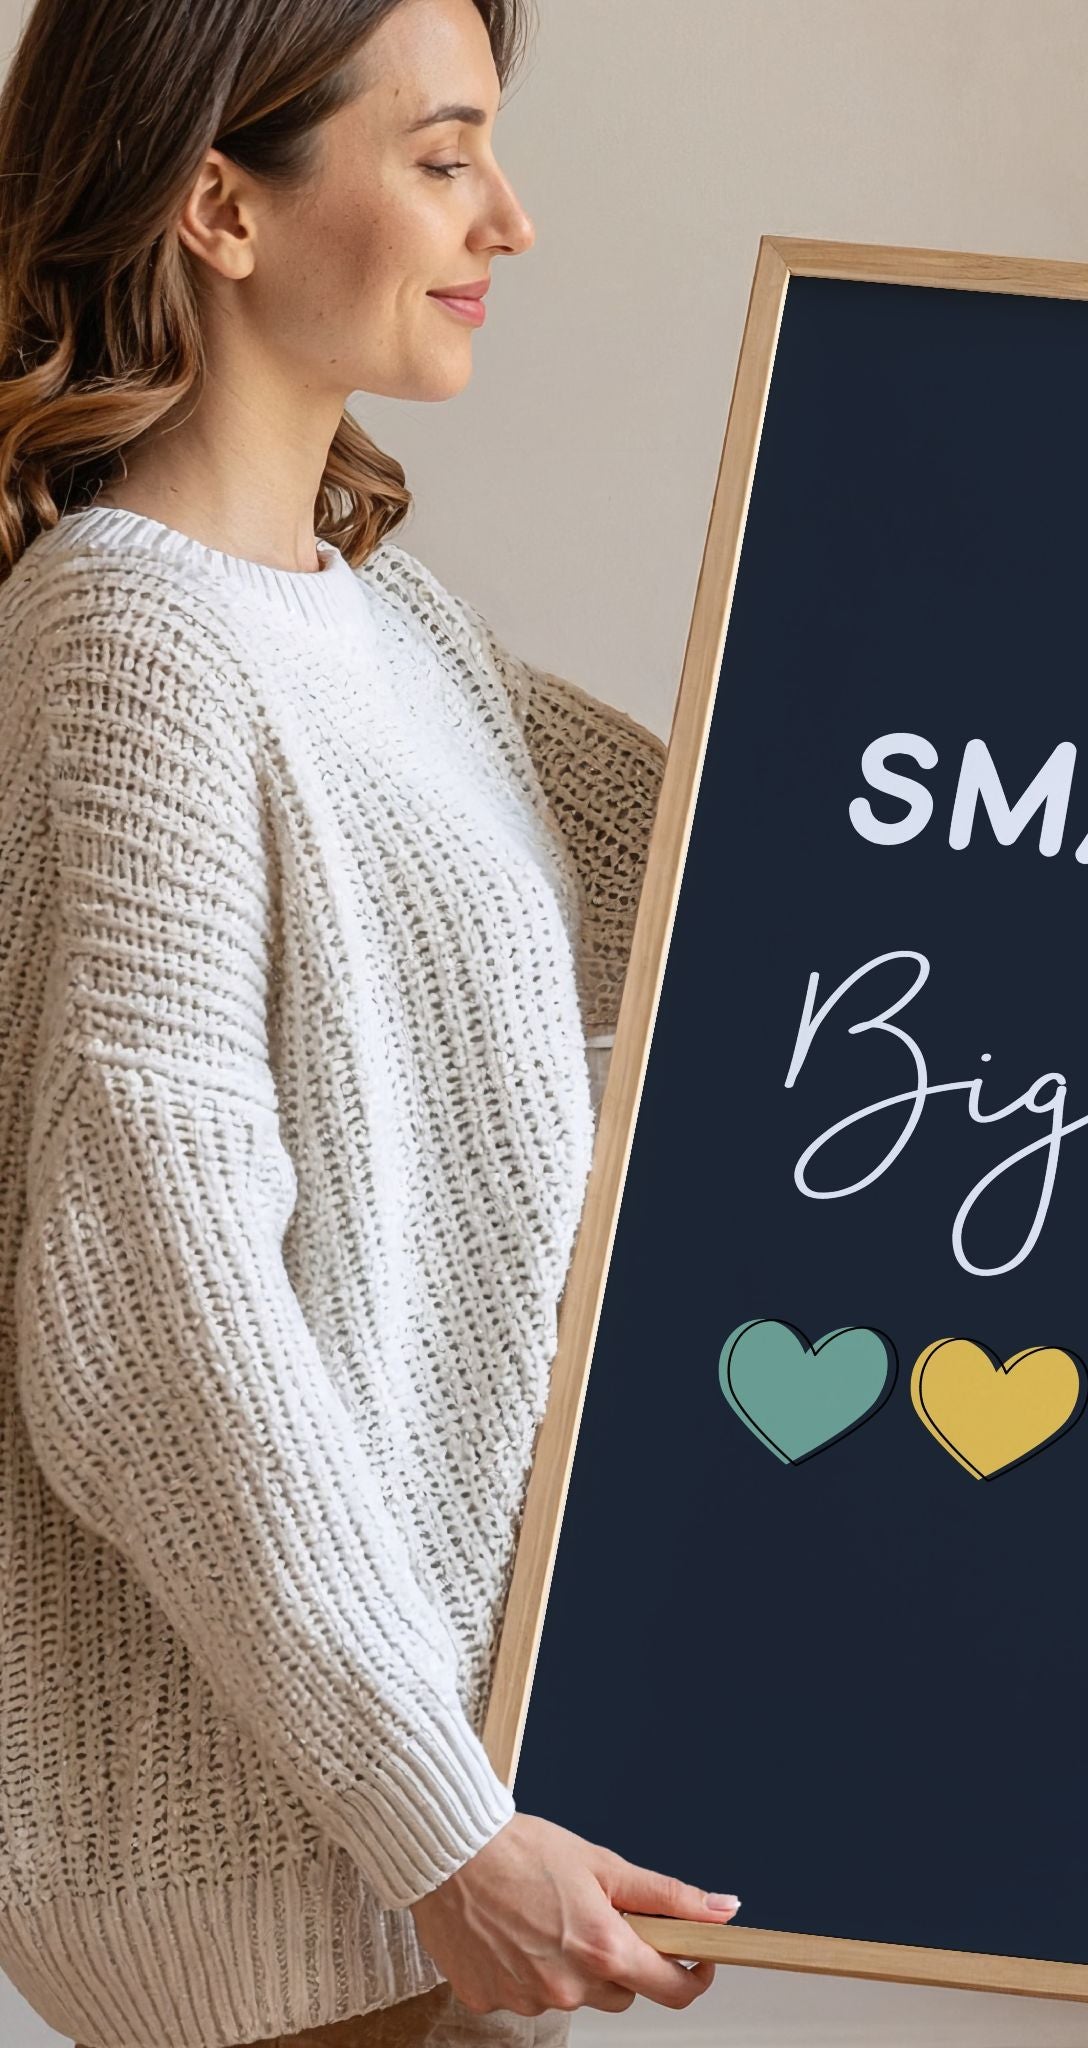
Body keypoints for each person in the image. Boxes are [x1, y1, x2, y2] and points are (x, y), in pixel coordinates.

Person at [0, 2, 739, 2043]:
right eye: (441, 158)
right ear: (219, 203)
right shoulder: (134, 632)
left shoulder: (372, 613)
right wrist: (434, 1821)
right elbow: (155, 1305)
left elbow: (727, 904)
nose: (508, 214)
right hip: (314, 1882)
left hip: (428, 1849)